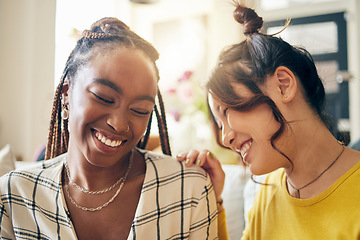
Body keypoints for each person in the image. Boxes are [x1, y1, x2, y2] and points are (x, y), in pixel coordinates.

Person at [0, 17, 218, 239]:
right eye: (103, 98)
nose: (119, 123)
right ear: (66, 94)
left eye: (140, 110)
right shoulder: (13, 194)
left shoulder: (189, 188)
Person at [177, 2, 360, 239]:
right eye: (220, 124)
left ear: (283, 85)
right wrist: (214, 201)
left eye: (227, 110)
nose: (226, 137)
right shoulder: (270, 188)